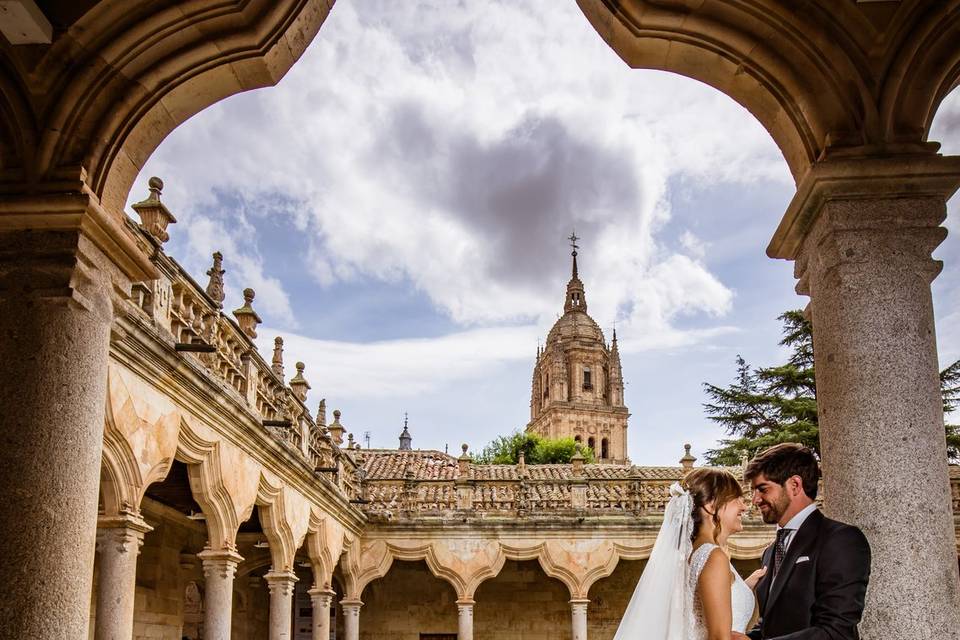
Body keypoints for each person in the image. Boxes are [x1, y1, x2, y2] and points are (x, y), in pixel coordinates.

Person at [614, 467, 765, 640]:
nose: (744, 507)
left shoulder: (692, 553)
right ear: (711, 506)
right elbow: (719, 637)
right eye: (736, 499)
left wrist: (743, 587)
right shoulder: (714, 557)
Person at [738, 443, 871, 640]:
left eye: (763, 489)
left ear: (795, 485)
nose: (755, 499)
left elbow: (837, 632)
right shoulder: (770, 551)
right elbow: (771, 625)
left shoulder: (841, 540)